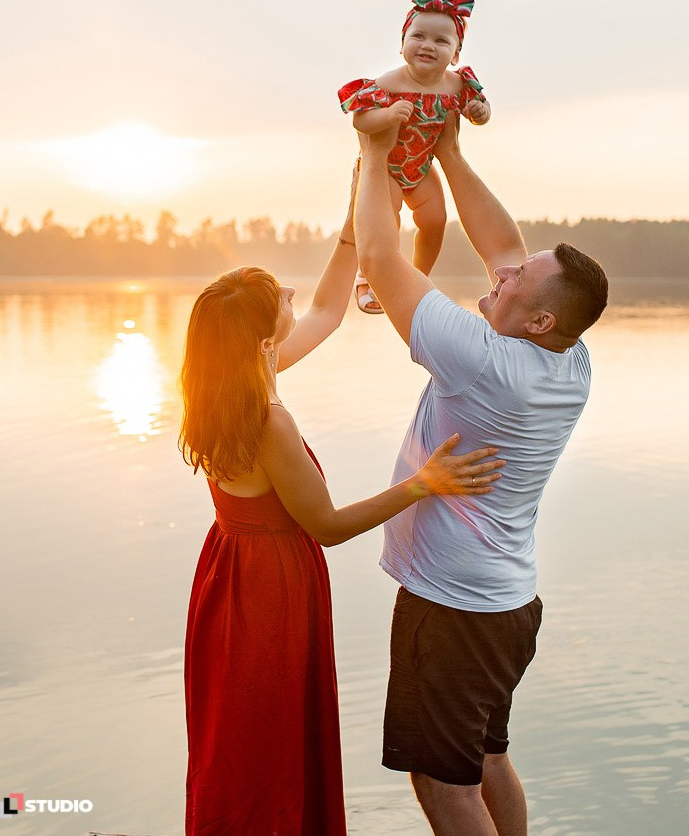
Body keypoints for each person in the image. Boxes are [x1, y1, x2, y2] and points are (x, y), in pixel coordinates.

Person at [178, 191, 505, 836]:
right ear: (262, 330)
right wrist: (424, 483)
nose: (292, 293)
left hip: (227, 581)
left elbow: (329, 309)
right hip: (268, 590)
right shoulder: (267, 418)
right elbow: (325, 527)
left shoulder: (227, 382)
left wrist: (358, 220)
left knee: (237, 735)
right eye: (279, 294)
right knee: (268, 743)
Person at [353, 115, 609, 836]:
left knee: (443, 782)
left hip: (454, 609)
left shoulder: (482, 359)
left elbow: (378, 253)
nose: (502, 272)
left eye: (519, 280)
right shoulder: (570, 360)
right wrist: (451, 152)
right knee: (488, 758)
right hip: (507, 606)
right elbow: (503, 245)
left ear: (540, 318)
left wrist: (375, 152)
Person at [339, 0, 491, 313]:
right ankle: (368, 276)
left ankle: (419, 276)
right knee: (384, 224)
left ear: (456, 54)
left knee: (436, 219)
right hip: (384, 171)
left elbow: (478, 107)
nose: (427, 45)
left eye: (441, 41)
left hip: (420, 167)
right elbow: (360, 122)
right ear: (402, 43)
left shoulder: (457, 84)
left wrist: (481, 112)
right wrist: (387, 115)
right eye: (418, 36)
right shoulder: (388, 84)